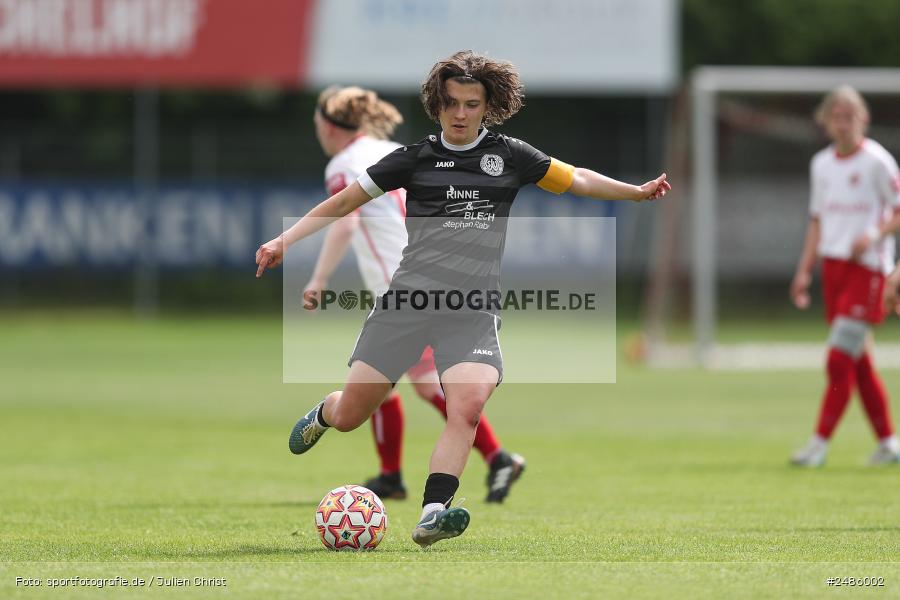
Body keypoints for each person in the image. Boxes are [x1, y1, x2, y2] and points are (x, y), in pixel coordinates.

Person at [256, 50, 670, 548]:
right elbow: (345, 202)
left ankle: (433, 512)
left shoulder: (511, 156)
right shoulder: (414, 158)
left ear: (488, 106)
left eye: (471, 104)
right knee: (351, 417)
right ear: (437, 104)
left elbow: (576, 177)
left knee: (467, 406)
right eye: (451, 103)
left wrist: (635, 192)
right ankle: (327, 412)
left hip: (472, 309)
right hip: (407, 305)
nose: (460, 113)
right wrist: (285, 241)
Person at [307, 84, 526, 502]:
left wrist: (318, 278)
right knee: (406, 384)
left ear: (329, 128)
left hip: (405, 285)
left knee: (405, 384)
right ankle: (398, 474)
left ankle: (493, 458)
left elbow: (346, 219)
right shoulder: (395, 148)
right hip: (432, 277)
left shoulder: (343, 164)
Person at [790, 85, 900, 467]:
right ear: (825, 122)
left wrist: (874, 234)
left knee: (838, 360)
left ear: (863, 119)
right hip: (834, 269)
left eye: (850, 116)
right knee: (859, 363)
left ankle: (818, 444)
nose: (844, 124)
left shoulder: (877, 162)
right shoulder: (821, 164)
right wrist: (804, 270)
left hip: (868, 270)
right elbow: (817, 221)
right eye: (837, 117)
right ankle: (889, 444)